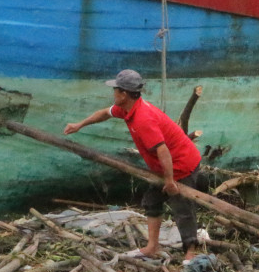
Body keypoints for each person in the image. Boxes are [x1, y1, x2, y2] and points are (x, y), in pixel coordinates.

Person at [65, 69, 202, 261]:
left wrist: (170, 181)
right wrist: (80, 124)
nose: (113, 94)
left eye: (115, 90)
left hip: (182, 163)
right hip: (165, 166)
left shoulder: (143, 118)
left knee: (182, 207)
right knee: (152, 201)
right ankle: (152, 246)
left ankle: (190, 252)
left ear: (123, 94)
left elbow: (162, 150)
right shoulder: (128, 108)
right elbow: (105, 113)